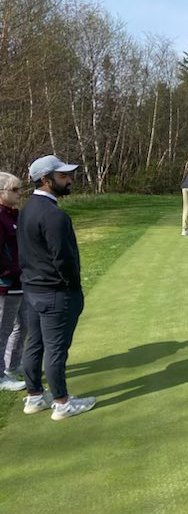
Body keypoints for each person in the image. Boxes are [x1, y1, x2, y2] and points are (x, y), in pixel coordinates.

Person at [18, 155, 96, 420]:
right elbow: (63, 259)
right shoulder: (54, 215)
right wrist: (74, 288)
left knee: (35, 345)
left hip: (33, 290)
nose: (70, 179)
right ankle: (62, 403)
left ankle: (35, 397)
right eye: (63, 176)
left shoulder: (27, 209)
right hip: (55, 293)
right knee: (55, 350)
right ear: (45, 180)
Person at [0, 173, 27, 391]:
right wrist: (12, 271)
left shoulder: (14, 215)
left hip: (20, 281)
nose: (19, 193)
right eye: (15, 190)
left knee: (23, 325)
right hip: (5, 283)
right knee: (3, 329)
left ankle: (12, 366)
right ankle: (0, 376)